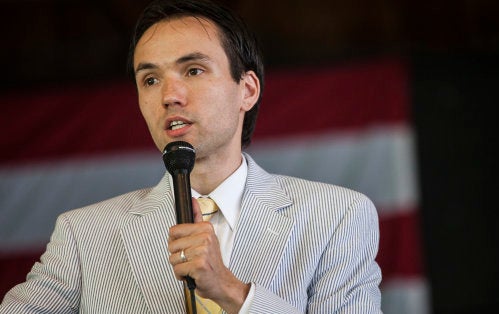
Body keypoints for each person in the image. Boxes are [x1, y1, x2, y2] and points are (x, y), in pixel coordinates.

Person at [0, 0, 382, 313]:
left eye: (194, 70)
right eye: (150, 79)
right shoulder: (83, 235)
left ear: (247, 90)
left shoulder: (337, 216)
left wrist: (231, 291)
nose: (169, 95)